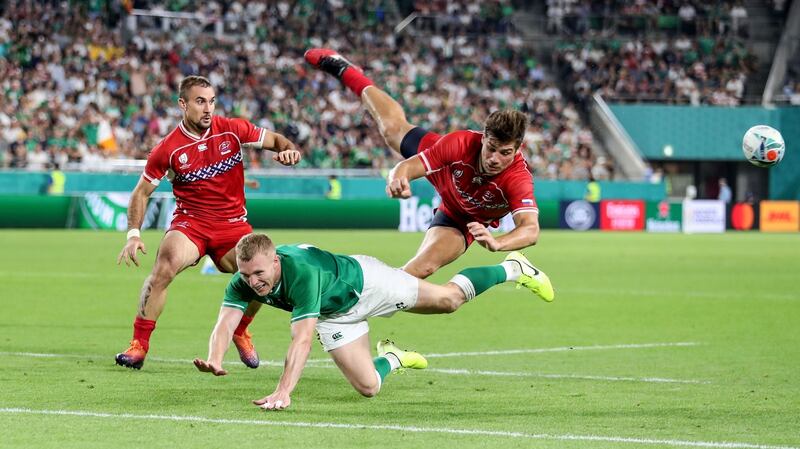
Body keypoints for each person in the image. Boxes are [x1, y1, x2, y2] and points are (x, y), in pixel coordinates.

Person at [193, 233, 554, 410]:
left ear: (274, 261)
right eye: (246, 275)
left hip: (367, 283)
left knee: (448, 300)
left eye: (258, 273)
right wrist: (215, 359)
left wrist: (284, 391)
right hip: (336, 314)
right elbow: (226, 321)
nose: (253, 282)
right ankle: (394, 358)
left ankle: (511, 267)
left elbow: (301, 340)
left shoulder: (299, 273)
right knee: (368, 388)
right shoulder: (244, 280)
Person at [115, 75, 302, 370]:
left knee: (265, 272)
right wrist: (133, 234)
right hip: (192, 225)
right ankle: (139, 345)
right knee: (164, 267)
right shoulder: (168, 149)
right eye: (200, 101)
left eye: (212, 101)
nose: (208, 108)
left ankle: (241, 330)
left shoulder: (232, 129)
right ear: (182, 104)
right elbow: (141, 192)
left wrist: (287, 150)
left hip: (233, 225)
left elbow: (277, 140)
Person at [305, 49, 543, 280]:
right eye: (491, 148)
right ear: (483, 137)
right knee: (391, 130)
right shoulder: (459, 144)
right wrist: (398, 180)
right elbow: (406, 167)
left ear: (518, 148)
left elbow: (530, 230)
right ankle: (347, 70)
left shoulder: (517, 178)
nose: (494, 159)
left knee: (417, 271)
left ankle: (354, 310)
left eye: (505, 153)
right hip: (443, 171)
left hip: (462, 218)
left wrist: (497, 242)